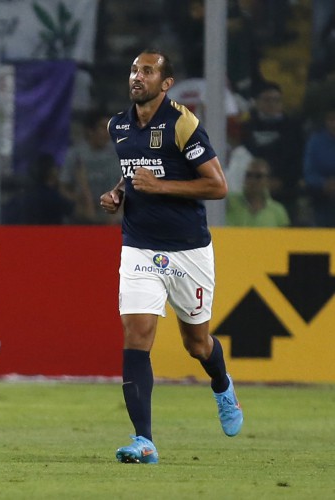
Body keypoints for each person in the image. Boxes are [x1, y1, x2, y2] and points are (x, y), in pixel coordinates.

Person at [99, 49, 243, 464]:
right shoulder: (119, 126)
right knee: (137, 334)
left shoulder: (183, 124)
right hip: (139, 245)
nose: (136, 77)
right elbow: (133, 171)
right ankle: (144, 440)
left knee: (196, 344)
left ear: (166, 84)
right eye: (133, 70)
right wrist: (119, 193)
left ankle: (222, 386)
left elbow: (217, 186)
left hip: (188, 250)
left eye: (147, 71)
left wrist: (160, 187)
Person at [239, 80, 305, 223]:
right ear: (256, 102)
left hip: (285, 193)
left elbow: (297, 159)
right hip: (250, 193)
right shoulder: (246, 128)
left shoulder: (293, 127)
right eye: (267, 100)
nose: (272, 104)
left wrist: (281, 181)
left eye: (276, 100)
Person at [58, 109, 121, 224]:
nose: (107, 132)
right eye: (102, 128)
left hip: (111, 216)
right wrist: (76, 200)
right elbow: (63, 187)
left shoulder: (118, 154)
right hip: (83, 216)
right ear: (90, 131)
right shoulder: (75, 154)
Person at [226, 157, 290, 227]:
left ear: (267, 181)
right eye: (249, 175)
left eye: (258, 176)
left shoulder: (278, 211)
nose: (252, 180)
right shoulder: (228, 202)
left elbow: (284, 237)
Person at [303, 106, 335, 227]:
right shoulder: (315, 141)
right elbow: (309, 172)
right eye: (331, 119)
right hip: (321, 196)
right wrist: (324, 183)